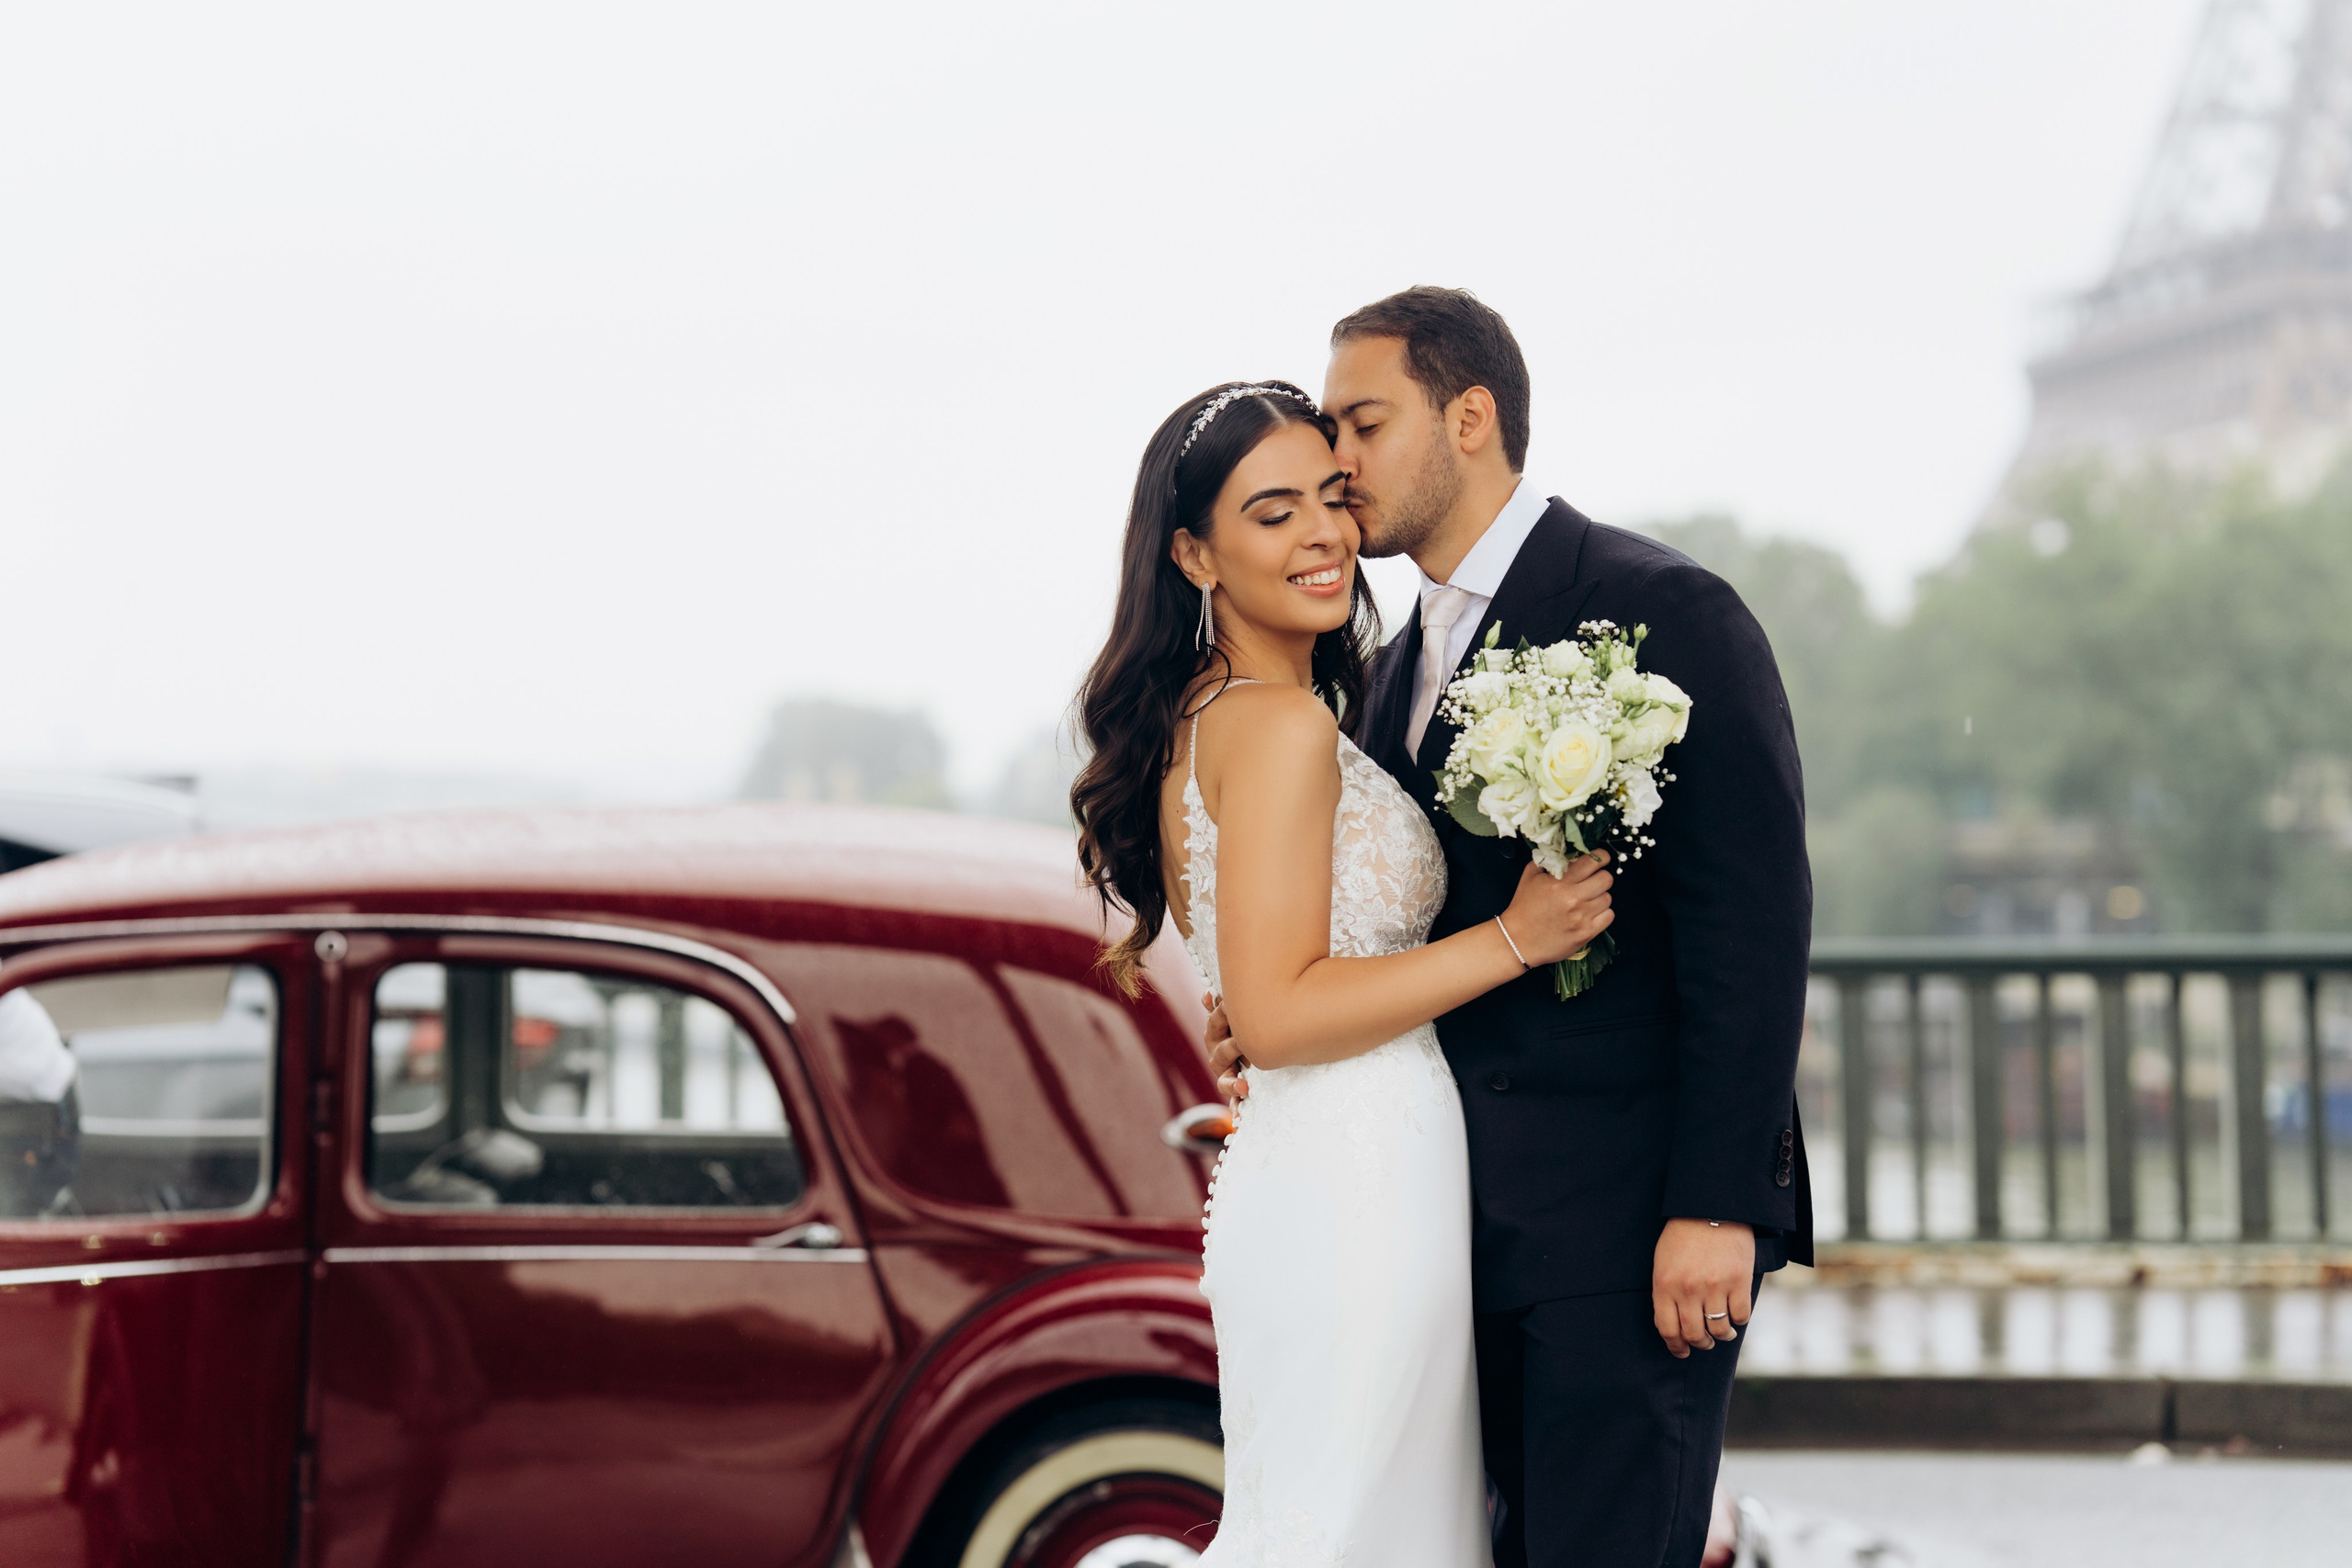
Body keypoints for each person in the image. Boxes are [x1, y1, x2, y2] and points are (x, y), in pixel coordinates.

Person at [1206, 288, 1814, 1567]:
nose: (1339, 468)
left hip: (1624, 1234)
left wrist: (1720, 1204)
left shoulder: (1664, 610)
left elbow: (1749, 931)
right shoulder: (1375, 673)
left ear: (1469, 416)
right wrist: (1271, 1007)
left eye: (1363, 426)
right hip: (1435, 1236)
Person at [1071, 378, 1615, 1566]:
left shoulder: (1249, 712)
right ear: (1194, 555)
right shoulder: (1281, 727)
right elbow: (1275, 1012)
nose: (1323, 533)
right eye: (1273, 513)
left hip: (1336, 1169)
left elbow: (1264, 993)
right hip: (1354, 1192)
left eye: (1331, 496)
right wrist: (1515, 940)